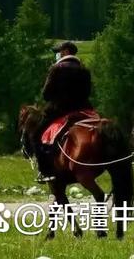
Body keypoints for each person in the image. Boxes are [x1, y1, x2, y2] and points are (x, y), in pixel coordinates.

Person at [35, 40, 94, 181]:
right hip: (84, 108)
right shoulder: (84, 69)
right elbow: (88, 92)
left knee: (37, 135)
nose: (59, 54)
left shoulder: (57, 68)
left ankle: (45, 171)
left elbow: (46, 94)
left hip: (60, 109)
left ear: (66, 51)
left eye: (60, 51)